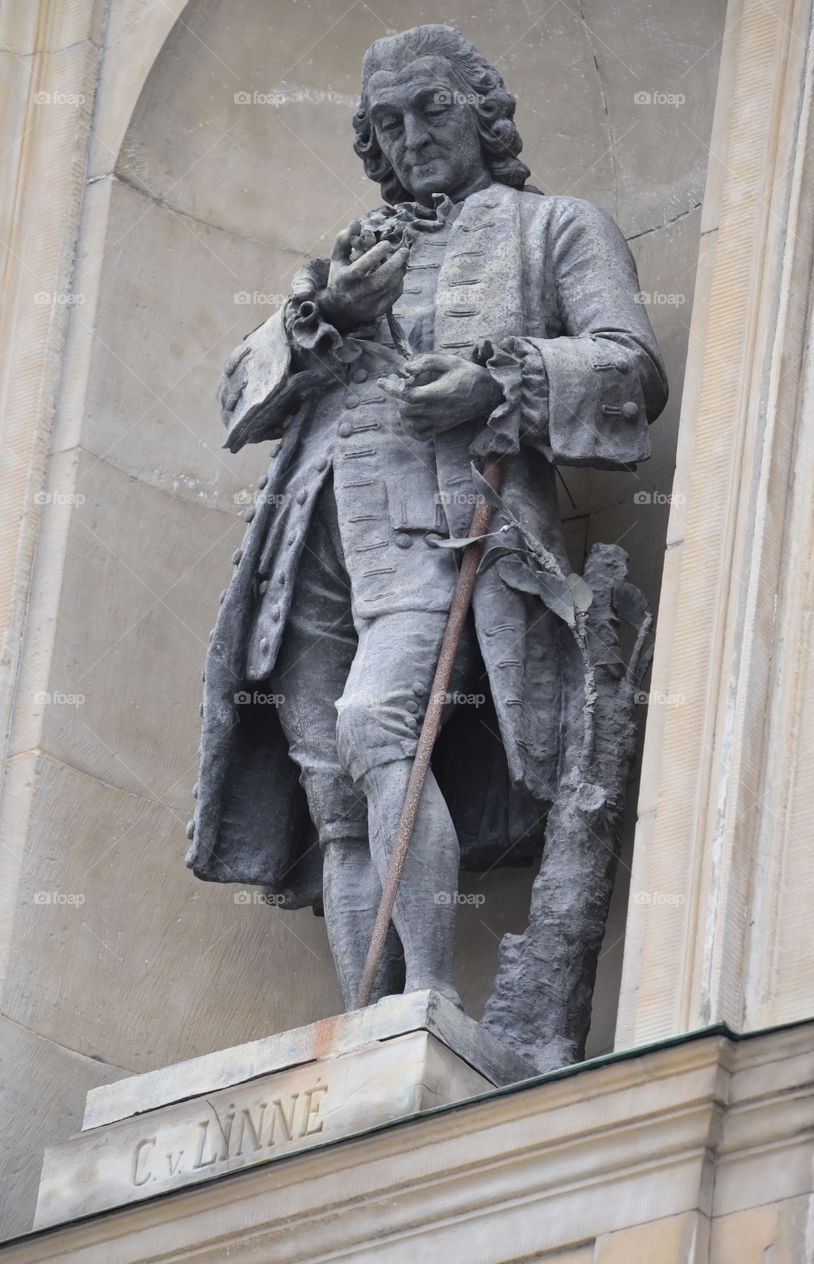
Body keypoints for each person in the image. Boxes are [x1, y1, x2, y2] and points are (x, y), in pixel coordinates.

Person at [186, 24, 667, 1017]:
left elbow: (629, 371)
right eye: (386, 124)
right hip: (311, 538)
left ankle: (432, 1001)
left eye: (431, 108)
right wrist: (327, 313)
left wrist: (495, 383)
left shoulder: (553, 227)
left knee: (374, 724)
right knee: (336, 799)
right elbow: (238, 400)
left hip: (443, 526)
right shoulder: (351, 255)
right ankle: (370, 1021)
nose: (410, 137)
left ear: (483, 114)